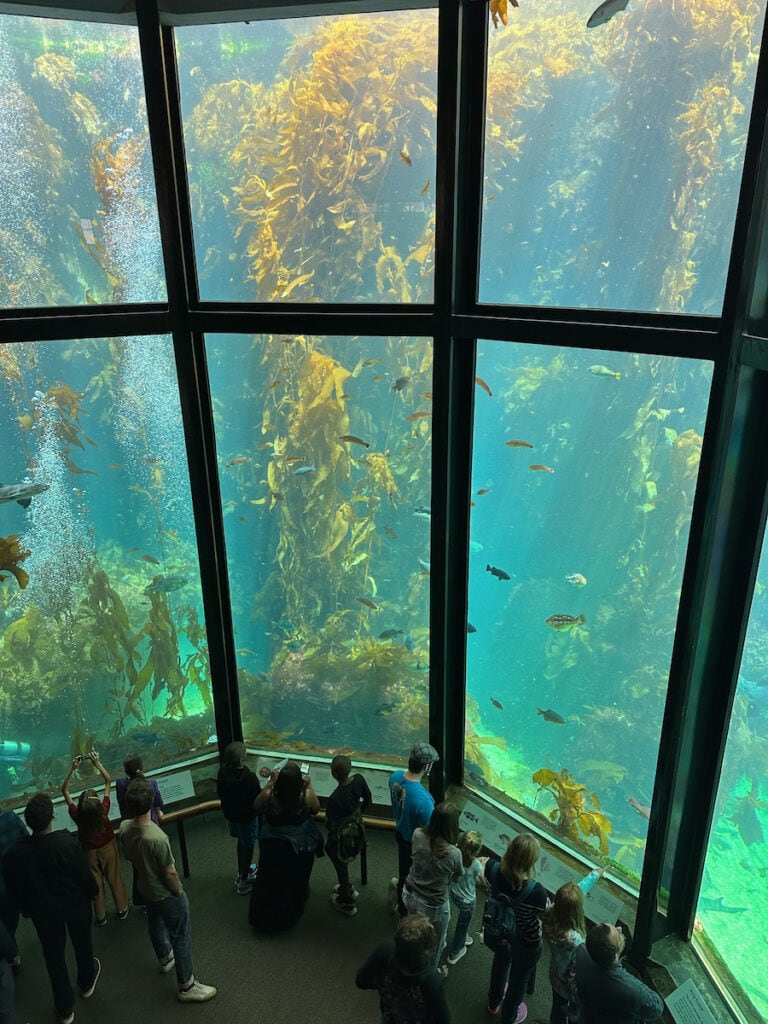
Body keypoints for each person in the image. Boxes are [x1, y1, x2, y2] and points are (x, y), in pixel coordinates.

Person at [2, 793, 100, 1024]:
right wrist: (94, 893)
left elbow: (14, 885)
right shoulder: (66, 842)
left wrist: (26, 909)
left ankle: (65, 1008)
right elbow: (83, 874)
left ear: (28, 822)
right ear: (52, 817)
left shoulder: (16, 853)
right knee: (82, 942)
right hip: (75, 906)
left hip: (44, 913)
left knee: (54, 956)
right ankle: (86, 982)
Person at [118, 778, 216, 1004]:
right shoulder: (157, 837)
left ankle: (165, 958)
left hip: (145, 887)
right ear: (151, 802)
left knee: (154, 923)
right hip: (165, 893)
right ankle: (187, 986)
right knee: (180, 935)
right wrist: (179, 891)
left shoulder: (124, 827)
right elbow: (169, 873)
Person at [483, 833, 550, 1024]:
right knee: (519, 980)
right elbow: (546, 913)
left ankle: (493, 1003)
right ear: (531, 862)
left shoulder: (492, 868)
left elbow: (482, 869)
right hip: (526, 941)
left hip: (500, 931)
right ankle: (509, 1016)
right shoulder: (537, 892)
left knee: (500, 964)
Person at [249, 760, 323, 932]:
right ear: (299, 782)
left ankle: (263, 917)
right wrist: (309, 785)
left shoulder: (271, 795)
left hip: (273, 845)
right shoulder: (304, 795)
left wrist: (271, 782)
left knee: (270, 878)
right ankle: (290, 915)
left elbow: (256, 806)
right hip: (298, 847)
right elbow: (316, 809)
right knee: (295, 879)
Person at [61, 751, 129, 926]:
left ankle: (101, 916)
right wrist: (97, 763)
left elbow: (65, 791)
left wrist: (72, 769)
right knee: (114, 877)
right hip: (108, 848)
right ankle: (122, 909)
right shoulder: (103, 810)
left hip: (89, 853)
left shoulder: (78, 815)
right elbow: (108, 781)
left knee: (96, 883)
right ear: (98, 804)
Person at [356, 911, 451, 1024]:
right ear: (426, 946)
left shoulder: (385, 951)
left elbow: (361, 981)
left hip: (390, 1014)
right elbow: (443, 1019)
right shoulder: (431, 980)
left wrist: (384, 985)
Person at [403, 801, 463, 971]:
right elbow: (458, 877)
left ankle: (408, 959)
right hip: (433, 906)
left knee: (413, 931)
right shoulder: (453, 853)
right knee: (435, 942)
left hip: (409, 893)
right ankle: (428, 976)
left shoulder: (417, 834)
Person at [542, 868, 603, 1023]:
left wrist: (594, 875)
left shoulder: (550, 911)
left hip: (555, 973)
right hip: (570, 983)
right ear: (577, 910)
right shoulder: (575, 940)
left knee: (557, 1007)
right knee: (571, 1011)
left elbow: (571, 896)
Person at [573, 923, 664, 1024]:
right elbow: (657, 1008)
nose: (620, 928)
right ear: (615, 955)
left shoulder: (581, 951)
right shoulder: (628, 989)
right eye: (618, 935)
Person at [389, 741, 439, 916]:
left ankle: (401, 906)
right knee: (417, 878)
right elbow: (428, 832)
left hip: (400, 832)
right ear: (427, 766)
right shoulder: (425, 802)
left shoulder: (394, 777)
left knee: (404, 871)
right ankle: (408, 911)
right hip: (415, 845)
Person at [325, 754, 372, 917]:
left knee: (338, 861)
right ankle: (348, 888)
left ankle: (346, 900)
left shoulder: (335, 798)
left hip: (343, 840)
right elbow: (368, 799)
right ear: (351, 768)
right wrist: (358, 814)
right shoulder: (359, 779)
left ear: (333, 774)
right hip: (359, 830)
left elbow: (329, 825)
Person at [216, 741, 261, 895]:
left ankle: (242, 871)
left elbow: (220, 792)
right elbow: (256, 800)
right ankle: (244, 881)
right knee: (248, 846)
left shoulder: (222, 772)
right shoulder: (250, 777)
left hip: (232, 816)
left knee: (241, 842)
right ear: (242, 758)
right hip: (247, 818)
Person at [446, 829, 486, 965]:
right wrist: (483, 865)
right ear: (477, 850)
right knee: (462, 926)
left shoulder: (455, 854)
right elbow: (482, 883)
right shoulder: (476, 865)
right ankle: (455, 953)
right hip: (467, 901)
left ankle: (457, 938)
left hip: (453, 892)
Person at [0, 808, 26, 974]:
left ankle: (11, 953)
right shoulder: (10, 818)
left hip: (2, 887)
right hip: (17, 881)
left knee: (5, 922)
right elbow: (27, 839)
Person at [115, 754, 164, 824]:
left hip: (129, 827)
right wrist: (159, 814)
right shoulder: (151, 784)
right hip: (151, 824)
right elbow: (157, 810)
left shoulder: (120, 784)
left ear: (126, 770)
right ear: (141, 767)